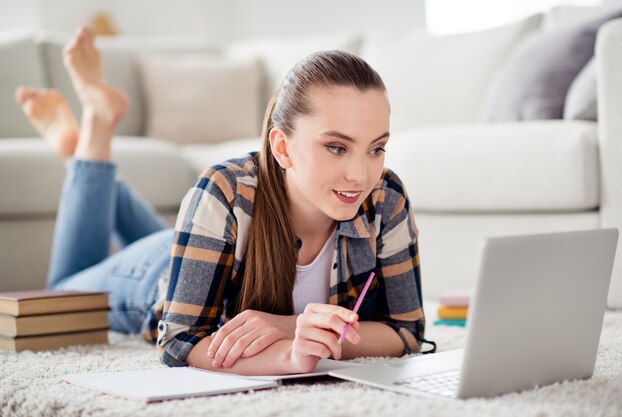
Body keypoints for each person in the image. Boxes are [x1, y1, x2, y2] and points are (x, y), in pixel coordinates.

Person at [16, 26, 429, 376]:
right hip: (157, 274)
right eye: (337, 148)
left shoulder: (385, 198)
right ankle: (96, 123)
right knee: (58, 295)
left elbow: (406, 332)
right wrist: (289, 355)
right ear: (282, 149)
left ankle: (81, 149)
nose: (361, 175)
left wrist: (292, 327)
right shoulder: (223, 192)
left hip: (208, 242)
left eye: (376, 149)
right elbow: (180, 339)